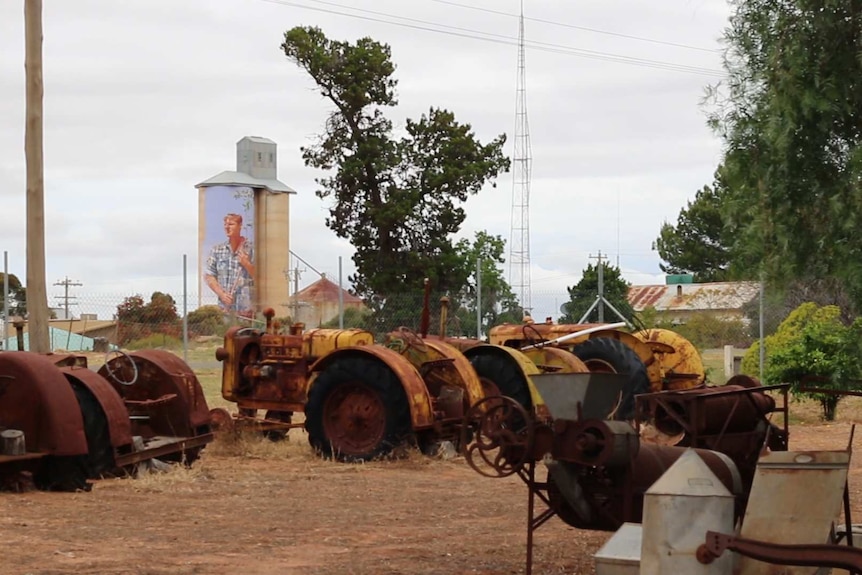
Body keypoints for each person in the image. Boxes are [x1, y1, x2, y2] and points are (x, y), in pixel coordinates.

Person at [204, 213, 255, 317]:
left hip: (246, 310)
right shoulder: (217, 250)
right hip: (225, 310)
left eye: (231, 224)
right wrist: (222, 295)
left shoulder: (251, 249)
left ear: (240, 226)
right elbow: (209, 276)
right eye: (225, 224)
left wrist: (247, 264)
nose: (227, 227)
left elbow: (262, 277)